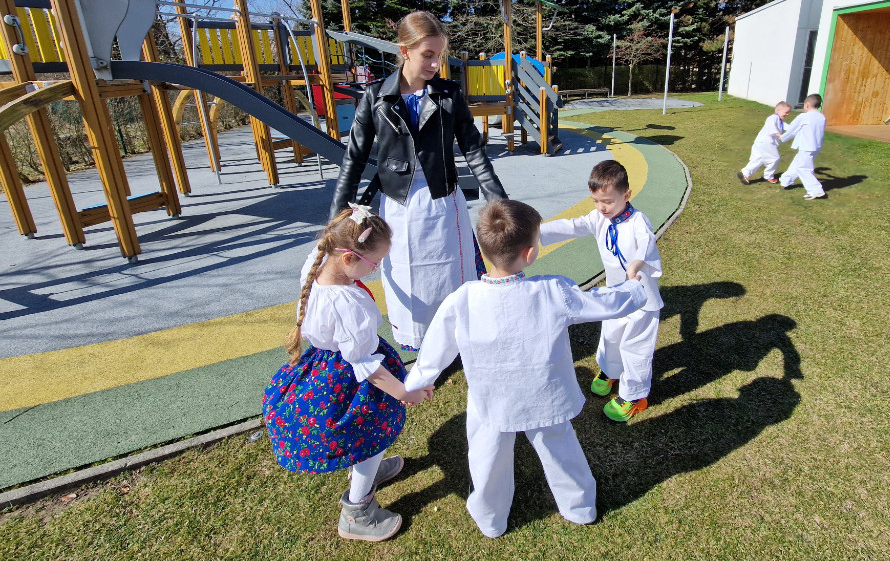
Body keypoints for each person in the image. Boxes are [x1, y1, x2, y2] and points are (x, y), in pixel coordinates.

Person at [404, 199, 654, 538]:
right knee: (560, 449)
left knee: (487, 457)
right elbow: (605, 303)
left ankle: (491, 519)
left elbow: (434, 350)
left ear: (483, 248)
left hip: (491, 400)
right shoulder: (553, 290)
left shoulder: (462, 299)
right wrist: (635, 286)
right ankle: (580, 507)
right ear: (531, 253)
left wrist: (416, 382)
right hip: (546, 397)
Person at [330, 11, 507, 351]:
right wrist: (338, 217)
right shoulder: (375, 97)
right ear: (404, 51)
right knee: (407, 273)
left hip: (443, 201)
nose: (435, 64)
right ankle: (422, 344)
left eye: (439, 55)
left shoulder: (449, 94)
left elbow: (473, 149)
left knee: (450, 271)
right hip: (399, 205)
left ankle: (458, 339)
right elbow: (353, 159)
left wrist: (499, 202)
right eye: (428, 55)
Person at [262, 205, 433, 543]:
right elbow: (365, 365)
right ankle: (357, 511)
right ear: (349, 258)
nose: (376, 269)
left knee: (367, 434)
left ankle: (367, 472)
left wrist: (351, 222)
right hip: (350, 379)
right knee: (369, 434)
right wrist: (404, 391)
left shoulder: (318, 264)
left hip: (323, 367)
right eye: (375, 263)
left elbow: (329, 240)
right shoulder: (348, 305)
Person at [538, 160, 663, 422]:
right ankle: (610, 371)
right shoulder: (599, 218)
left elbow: (646, 243)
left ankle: (634, 395)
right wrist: (536, 232)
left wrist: (636, 265)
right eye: (596, 201)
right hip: (615, 294)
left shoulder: (638, 221)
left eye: (607, 201)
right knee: (611, 336)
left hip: (642, 299)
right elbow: (573, 226)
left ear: (626, 195)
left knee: (635, 347)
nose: (601, 207)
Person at [778, 93, 828, 200]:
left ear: (807, 104)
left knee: (803, 168)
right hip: (816, 146)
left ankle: (816, 191)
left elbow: (792, 129)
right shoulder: (821, 117)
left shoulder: (804, 116)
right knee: (797, 163)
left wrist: (782, 137)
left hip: (807, 146)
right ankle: (786, 180)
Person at [738, 101, 791, 184]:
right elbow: (772, 129)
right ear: (778, 110)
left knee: (758, 159)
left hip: (761, 143)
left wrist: (798, 130)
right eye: (786, 112)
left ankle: (745, 172)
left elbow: (790, 128)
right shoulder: (772, 118)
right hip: (766, 142)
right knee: (775, 158)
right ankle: (768, 175)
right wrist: (780, 135)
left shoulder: (780, 121)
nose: (787, 114)